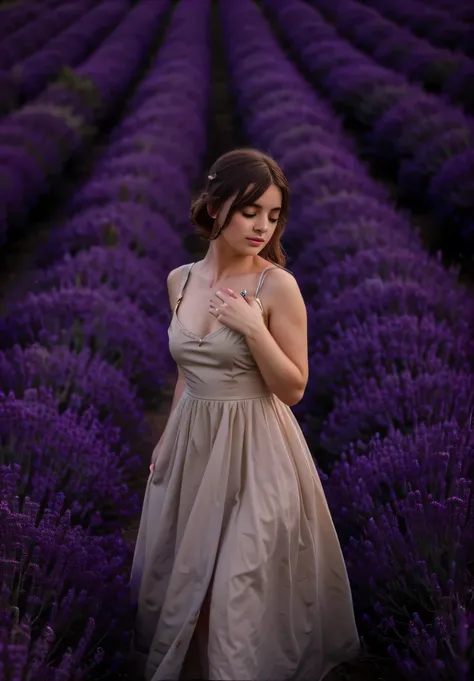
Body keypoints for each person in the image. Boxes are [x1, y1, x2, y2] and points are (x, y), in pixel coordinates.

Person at [130, 148, 360, 680]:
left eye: (273, 215)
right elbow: (188, 366)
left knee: (239, 581)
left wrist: (254, 328)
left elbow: (294, 387)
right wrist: (166, 436)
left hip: (258, 451)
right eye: (250, 210)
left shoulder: (276, 286)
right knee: (193, 583)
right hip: (195, 445)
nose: (262, 226)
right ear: (215, 206)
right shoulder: (180, 280)